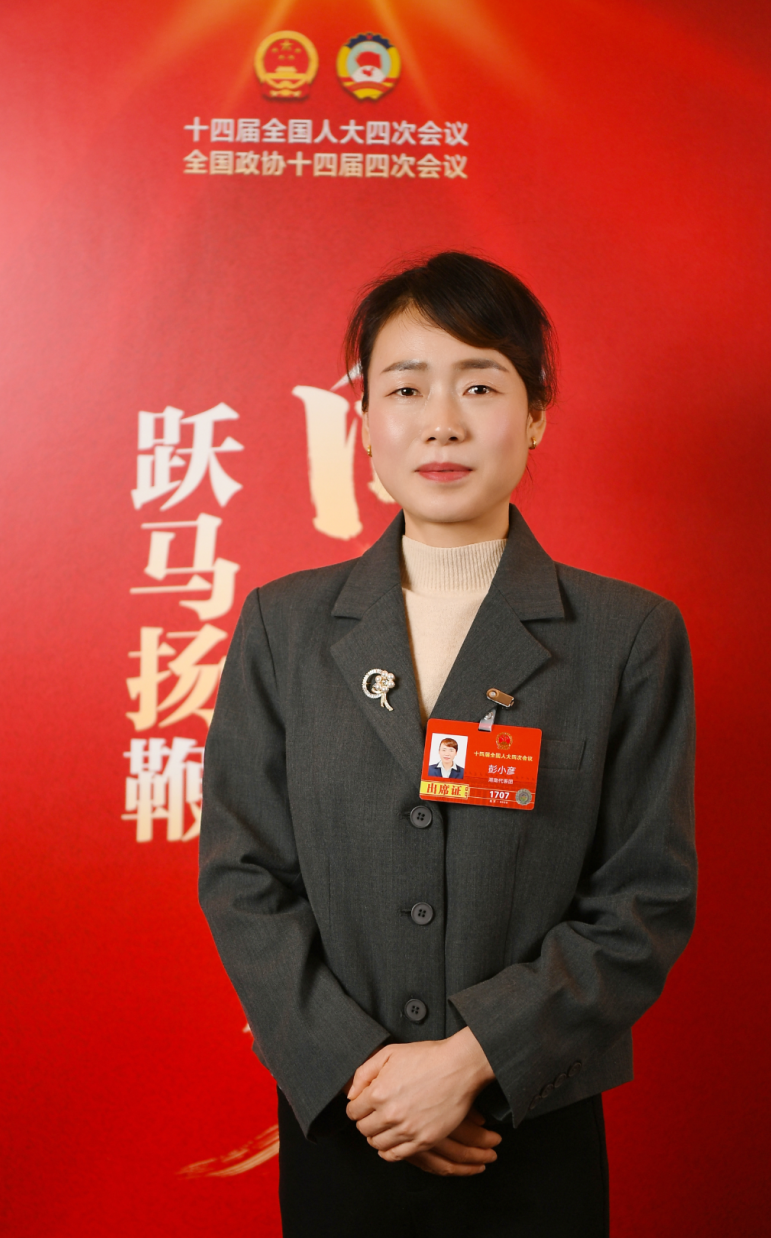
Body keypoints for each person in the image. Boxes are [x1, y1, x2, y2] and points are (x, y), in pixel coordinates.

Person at [198, 252, 696, 1238]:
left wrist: (471, 1060)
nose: (441, 421)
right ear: (364, 421)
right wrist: (365, 1075)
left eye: (479, 384)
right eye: (405, 387)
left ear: (535, 413)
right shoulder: (283, 627)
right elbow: (243, 875)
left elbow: (644, 898)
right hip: (344, 1124)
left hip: (531, 1126)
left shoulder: (626, 636)